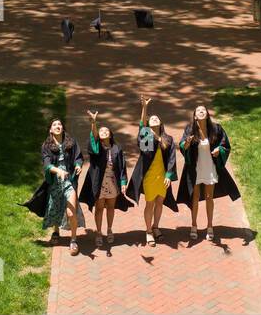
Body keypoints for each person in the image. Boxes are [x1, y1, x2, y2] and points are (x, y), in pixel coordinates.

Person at [177, 104, 239, 243]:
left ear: (207, 114)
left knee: (209, 197)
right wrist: (186, 144)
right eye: (198, 110)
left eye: (203, 110)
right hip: (195, 168)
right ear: (194, 116)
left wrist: (219, 150)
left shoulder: (216, 129)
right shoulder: (190, 129)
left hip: (210, 167)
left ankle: (210, 227)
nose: (201, 111)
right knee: (195, 197)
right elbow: (182, 145)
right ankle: (194, 226)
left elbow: (225, 146)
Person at [22, 118, 85, 255]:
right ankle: (56, 232)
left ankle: (73, 240)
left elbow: (78, 157)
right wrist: (58, 171)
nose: (58, 126)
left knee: (70, 212)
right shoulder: (46, 146)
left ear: (63, 128)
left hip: (69, 181)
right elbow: (47, 164)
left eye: (60, 124)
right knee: (55, 208)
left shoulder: (71, 142)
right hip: (55, 183)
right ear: (50, 130)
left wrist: (79, 165)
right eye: (54, 125)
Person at [123, 95, 177, 247]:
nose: (154, 119)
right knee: (150, 203)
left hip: (162, 176)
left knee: (160, 202)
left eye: (156, 118)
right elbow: (142, 127)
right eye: (151, 119)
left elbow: (172, 158)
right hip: (149, 176)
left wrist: (169, 175)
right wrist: (144, 108)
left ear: (161, 123)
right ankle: (148, 231)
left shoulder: (168, 139)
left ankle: (156, 227)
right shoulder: (146, 135)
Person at [78, 110, 130, 255]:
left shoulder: (116, 148)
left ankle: (109, 230)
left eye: (106, 130)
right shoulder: (96, 147)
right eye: (101, 131)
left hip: (112, 181)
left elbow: (122, 165)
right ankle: (99, 233)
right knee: (99, 207)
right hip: (99, 182)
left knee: (111, 207)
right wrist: (94, 123)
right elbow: (93, 139)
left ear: (111, 134)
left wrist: (123, 181)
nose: (104, 132)